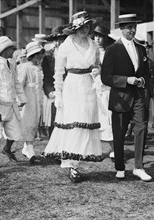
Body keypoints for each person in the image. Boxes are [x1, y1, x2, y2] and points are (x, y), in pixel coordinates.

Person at [43, 11, 103, 183]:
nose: (85, 30)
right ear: (74, 29)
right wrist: (59, 94)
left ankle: (77, 160)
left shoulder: (93, 45)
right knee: (73, 124)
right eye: (81, 27)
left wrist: (96, 71)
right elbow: (58, 73)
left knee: (84, 124)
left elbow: (98, 65)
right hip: (72, 86)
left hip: (88, 86)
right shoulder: (66, 46)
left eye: (87, 27)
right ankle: (71, 165)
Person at [101, 14, 152, 181]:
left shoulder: (141, 48)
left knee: (141, 128)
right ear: (121, 29)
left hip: (138, 95)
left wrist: (142, 80)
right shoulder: (112, 49)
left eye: (134, 27)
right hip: (120, 97)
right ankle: (120, 167)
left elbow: (145, 73)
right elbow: (106, 77)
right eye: (128, 27)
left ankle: (139, 166)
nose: (132, 30)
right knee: (119, 132)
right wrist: (126, 80)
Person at [0, 36, 27, 173]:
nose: (14, 51)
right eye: (11, 49)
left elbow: (16, 83)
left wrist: (22, 97)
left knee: (15, 132)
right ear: (4, 50)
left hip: (11, 104)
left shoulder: (12, 63)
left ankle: (6, 149)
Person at [18, 42, 45, 164]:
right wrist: (20, 99)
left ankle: (26, 147)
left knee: (34, 123)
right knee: (27, 123)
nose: (39, 57)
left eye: (40, 55)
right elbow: (19, 85)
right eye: (36, 55)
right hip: (27, 98)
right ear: (31, 56)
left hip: (36, 98)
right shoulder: (25, 67)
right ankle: (29, 149)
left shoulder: (39, 68)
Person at [93, 25, 115, 160]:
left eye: (100, 36)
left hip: (107, 89)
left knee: (110, 120)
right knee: (95, 119)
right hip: (94, 88)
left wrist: (102, 71)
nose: (97, 39)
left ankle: (115, 149)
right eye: (95, 36)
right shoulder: (91, 52)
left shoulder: (110, 52)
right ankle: (95, 149)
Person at [42, 25, 68, 137]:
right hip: (54, 91)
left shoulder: (70, 54)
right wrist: (50, 92)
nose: (57, 43)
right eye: (55, 40)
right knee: (54, 117)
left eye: (60, 40)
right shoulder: (48, 56)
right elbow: (46, 77)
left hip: (69, 89)